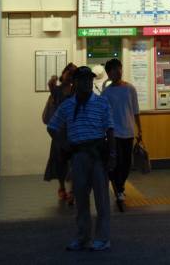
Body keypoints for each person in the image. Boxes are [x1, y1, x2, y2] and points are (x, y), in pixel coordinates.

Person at [47, 66, 116, 252]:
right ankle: (82, 237)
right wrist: (63, 144)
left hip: (97, 156)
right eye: (82, 79)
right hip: (78, 157)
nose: (86, 83)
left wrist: (112, 154)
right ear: (75, 82)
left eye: (89, 79)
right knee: (81, 200)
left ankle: (102, 238)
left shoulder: (102, 103)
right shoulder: (68, 105)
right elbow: (52, 127)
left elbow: (110, 129)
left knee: (102, 200)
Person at [101, 59, 141, 212]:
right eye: (113, 70)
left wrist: (140, 130)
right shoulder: (106, 93)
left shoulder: (130, 89)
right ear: (108, 73)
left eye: (118, 69)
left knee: (126, 164)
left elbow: (136, 111)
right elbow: (104, 115)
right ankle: (119, 190)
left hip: (129, 132)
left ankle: (119, 186)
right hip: (113, 133)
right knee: (116, 163)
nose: (117, 72)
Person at [44, 62, 77, 203]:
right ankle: (62, 186)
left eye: (73, 73)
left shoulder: (76, 90)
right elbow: (51, 84)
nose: (70, 75)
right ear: (63, 73)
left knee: (74, 161)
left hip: (73, 130)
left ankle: (72, 191)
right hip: (58, 131)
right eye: (68, 72)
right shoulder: (56, 90)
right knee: (60, 162)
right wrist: (52, 78)